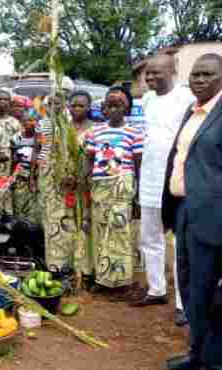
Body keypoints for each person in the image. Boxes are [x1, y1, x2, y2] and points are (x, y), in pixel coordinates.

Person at [162, 53, 222, 370]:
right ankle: (197, 354)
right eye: (195, 74)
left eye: (207, 74)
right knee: (190, 289)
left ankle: (213, 361)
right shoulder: (193, 110)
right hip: (185, 211)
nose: (199, 80)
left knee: (212, 293)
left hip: (214, 218)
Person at [130, 55, 195, 326]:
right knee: (150, 238)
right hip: (149, 180)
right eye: (147, 75)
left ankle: (183, 302)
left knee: (180, 243)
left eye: (156, 73)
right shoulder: (147, 101)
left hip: (178, 183)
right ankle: (156, 289)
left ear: (173, 71)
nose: (150, 78)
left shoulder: (188, 98)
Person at [84, 87, 143, 290]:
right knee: (100, 231)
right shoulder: (95, 131)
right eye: (109, 104)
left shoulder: (134, 132)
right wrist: (84, 183)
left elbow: (138, 164)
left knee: (119, 231)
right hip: (99, 187)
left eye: (119, 104)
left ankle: (120, 280)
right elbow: (89, 161)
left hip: (122, 186)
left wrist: (139, 197)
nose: (114, 107)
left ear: (127, 108)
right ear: (104, 109)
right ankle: (102, 279)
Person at [37, 91, 94, 277]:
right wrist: (62, 174)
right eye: (74, 105)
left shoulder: (95, 130)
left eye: (81, 105)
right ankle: (60, 268)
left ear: (89, 107)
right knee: (62, 225)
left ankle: (83, 270)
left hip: (85, 187)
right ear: (68, 107)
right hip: (62, 188)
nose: (77, 109)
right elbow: (51, 156)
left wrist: (80, 176)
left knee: (83, 226)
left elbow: (95, 159)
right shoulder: (60, 129)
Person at [11, 109, 41, 223]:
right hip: (20, 178)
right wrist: (11, 179)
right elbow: (13, 161)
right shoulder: (16, 137)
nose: (28, 123)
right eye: (25, 120)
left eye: (32, 120)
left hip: (36, 178)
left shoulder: (41, 138)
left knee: (33, 210)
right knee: (19, 208)